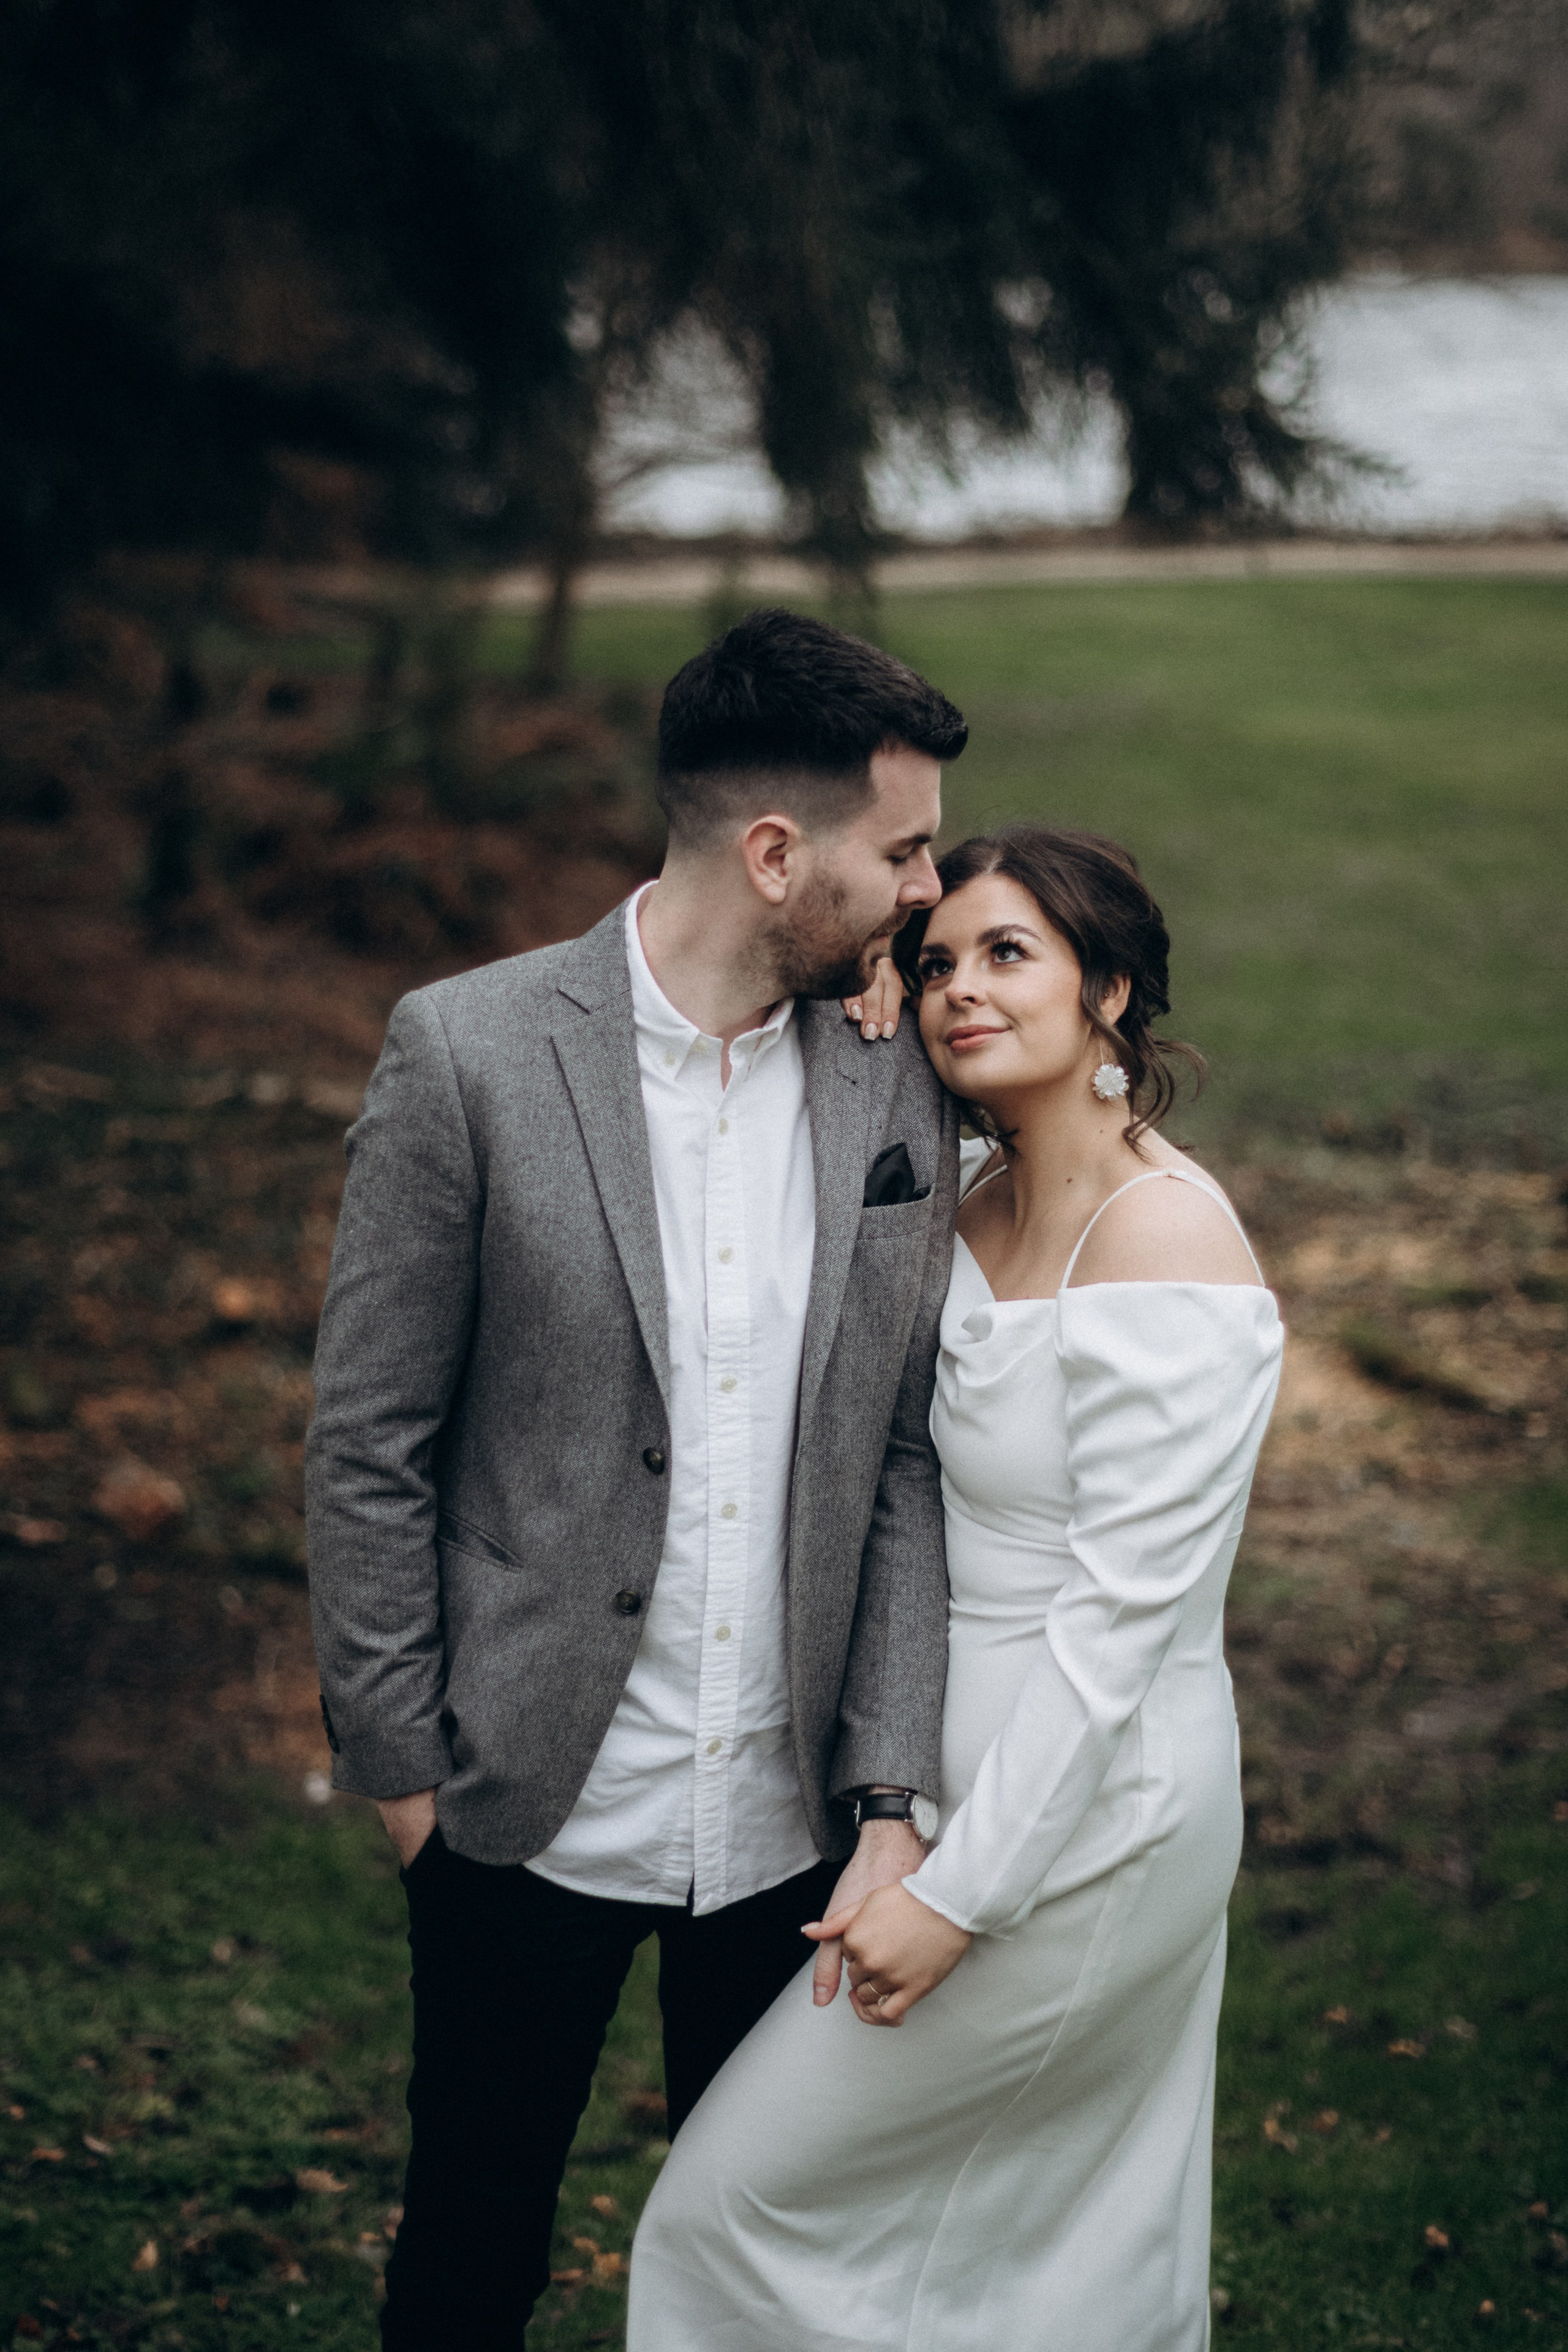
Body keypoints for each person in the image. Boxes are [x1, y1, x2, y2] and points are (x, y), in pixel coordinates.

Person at [304, 606, 970, 2349]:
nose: (930, 891)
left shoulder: (900, 1073)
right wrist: (402, 1769)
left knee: (774, 2270)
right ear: (774, 853)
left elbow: (899, 1452)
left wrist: (889, 1786)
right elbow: (370, 1438)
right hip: (519, 1801)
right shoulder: (469, 1054)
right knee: (470, 2251)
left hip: (792, 1827)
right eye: (902, 851)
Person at [629, 823, 1284, 2352]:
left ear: (1108, 990)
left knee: (730, 2202)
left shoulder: (1167, 1238)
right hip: (939, 1780)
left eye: (1008, 955)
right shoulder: (967, 1194)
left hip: (1089, 1806)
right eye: (934, 963)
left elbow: (1119, 1632)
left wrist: (956, 1893)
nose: (957, 990)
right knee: (1003, 2236)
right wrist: (892, 1806)